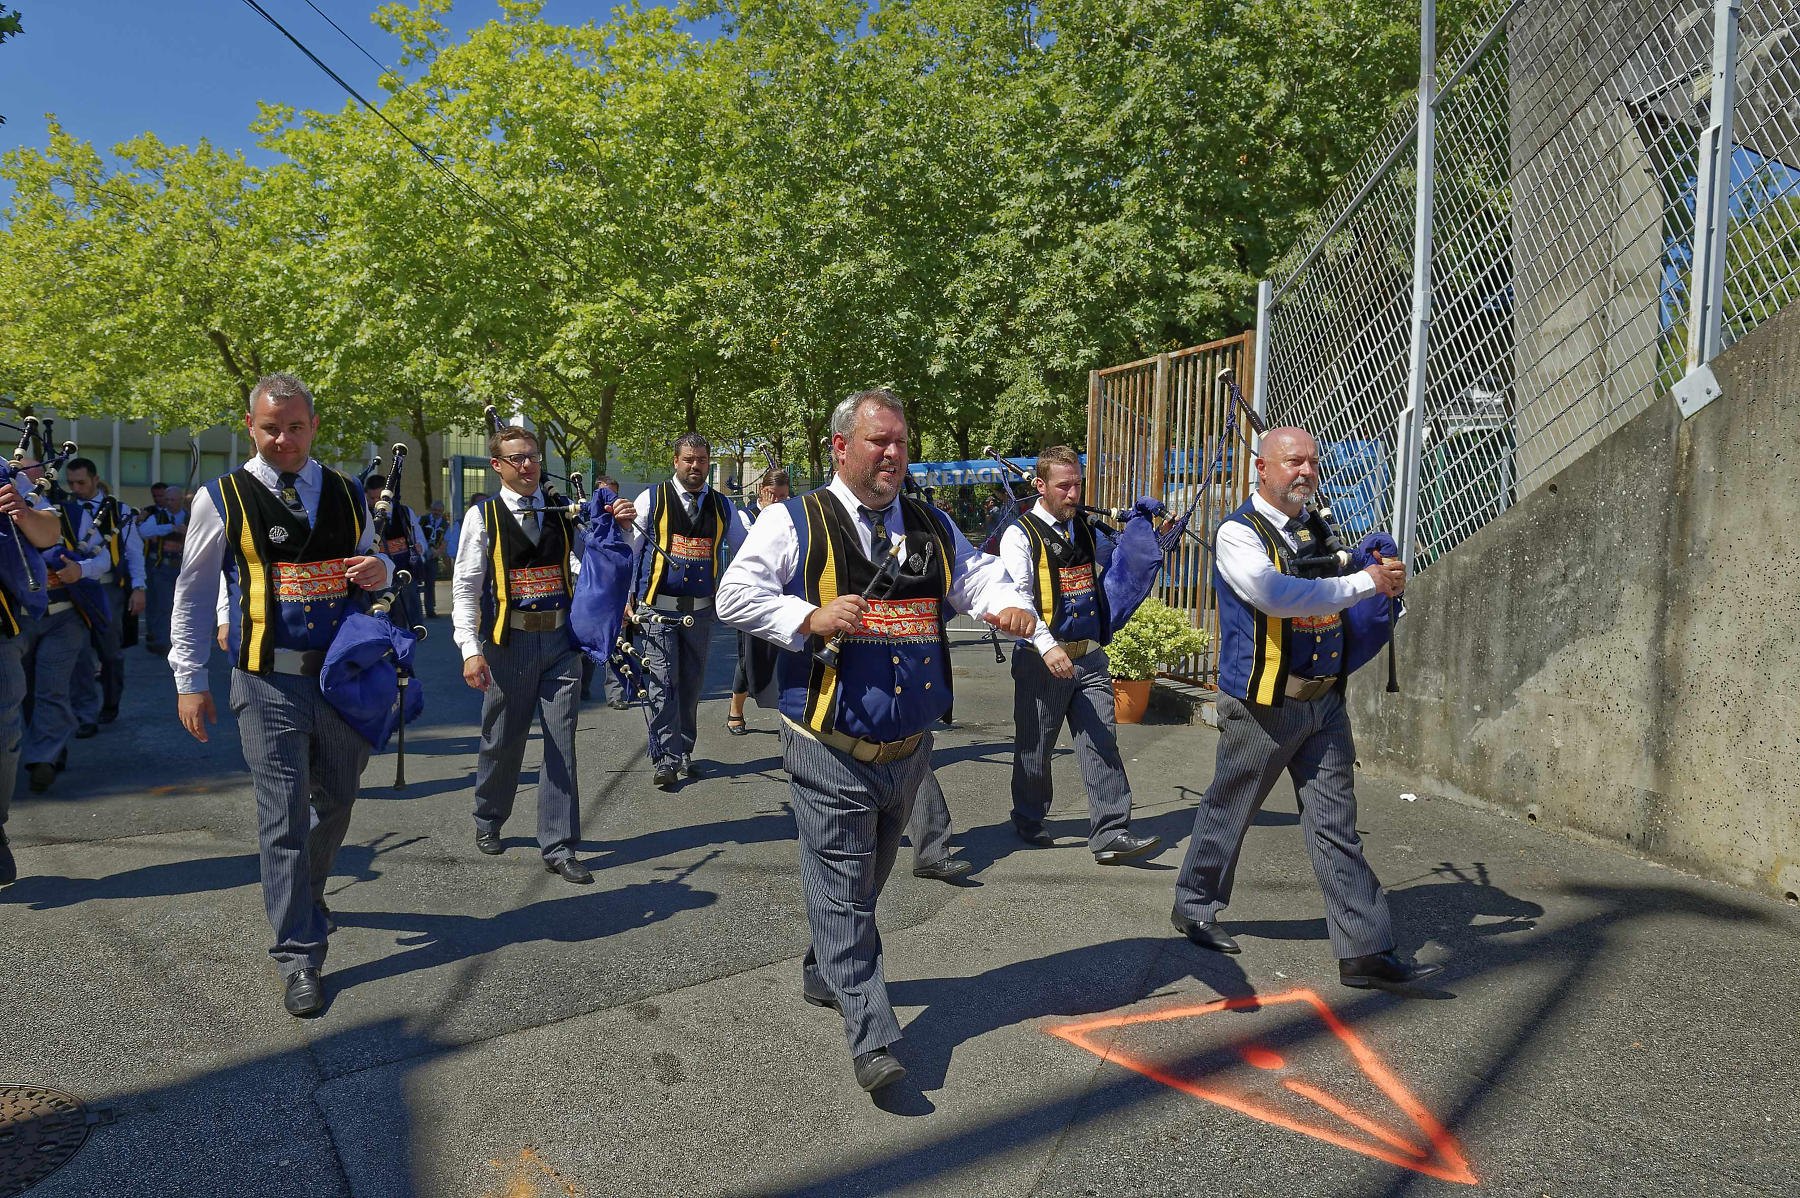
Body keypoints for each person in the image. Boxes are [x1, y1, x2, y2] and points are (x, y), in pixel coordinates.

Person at [718, 387, 1037, 1093]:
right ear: (841, 447)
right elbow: (732, 595)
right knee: (844, 892)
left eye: (899, 440)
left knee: (860, 887)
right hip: (825, 741)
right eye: (877, 441)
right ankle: (874, 1037)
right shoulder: (791, 520)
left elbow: (977, 578)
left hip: (908, 749)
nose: (893, 453)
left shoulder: (927, 521)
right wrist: (808, 614)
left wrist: (1009, 606)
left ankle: (821, 968)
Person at [1170, 426, 1439, 991]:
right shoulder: (1237, 535)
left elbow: (1339, 585)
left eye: (1312, 463)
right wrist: (1365, 582)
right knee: (1231, 807)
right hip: (1265, 703)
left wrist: (1380, 577)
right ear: (1262, 470)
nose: (1306, 472)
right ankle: (1194, 905)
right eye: (1293, 462)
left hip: (1325, 702)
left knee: (1336, 824)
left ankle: (1363, 949)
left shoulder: (1316, 528)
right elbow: (1276, 596)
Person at [172, 374, 393, 1017]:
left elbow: (371, 569)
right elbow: (190, 592)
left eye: (296, 427)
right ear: (251, 427)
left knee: (340, 799)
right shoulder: (222, 498)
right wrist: (190, 679)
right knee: (282, 816)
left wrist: (378, 571)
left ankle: (308, 892)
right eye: (271, 428)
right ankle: (299, 952)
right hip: (264, 680)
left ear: (313, 426)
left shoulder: (350, 494)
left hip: (340, 679)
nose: (284, 440)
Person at [453, 424, 636, 885]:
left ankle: (558, 843)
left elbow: (593, 559)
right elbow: (465, 587)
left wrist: (622, 528)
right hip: (506, 645)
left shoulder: (559, 510)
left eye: (533, 456)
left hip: (558, 644)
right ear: (497, 465)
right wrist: (469, 649)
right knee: (502, 737)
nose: (528, 464)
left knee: (561, 741)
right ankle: (489, 816)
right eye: (517, 458)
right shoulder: (483, 517)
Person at [998, 446, 1162, 865]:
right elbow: (1018, 598)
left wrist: (1149, 533)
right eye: (1064, 486)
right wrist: (1047, 646)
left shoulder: (1087, 529)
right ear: (1040, 485)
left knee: (1101, 742)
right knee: (1036, 747)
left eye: (1078, 485)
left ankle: (1111, 831)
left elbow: (1124, 559)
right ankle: (1029, 817)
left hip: (1089, 658)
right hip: (1041, 660)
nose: (1073, 494)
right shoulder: (1021, 535)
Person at [628, 434, 747, 790]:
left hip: (699, 613)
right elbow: (630, 552)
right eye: (689, 460)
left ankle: (684, 750)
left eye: (702, 460)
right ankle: (665, 757)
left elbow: (746, 552)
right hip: (656, 611)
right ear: (675, 462)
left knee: (691, 686)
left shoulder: (724, 507)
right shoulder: (651, 499)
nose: (696, 467)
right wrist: (624, 598)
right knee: (663, 684)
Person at [19, 461, 116, 794]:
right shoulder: (7, 516)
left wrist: (81, 569)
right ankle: (49, 749)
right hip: (19, 622)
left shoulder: (72, 515)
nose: (33, 484)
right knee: (26, 692)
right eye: (25, 478)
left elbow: (103, 560)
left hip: (65, 618)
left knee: (52, 687)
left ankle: (44, 758)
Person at [0, 466, 76, 886]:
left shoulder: (5, 476)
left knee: (4, 731)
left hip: (6, 621)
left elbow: (51, 532)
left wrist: (24, 514)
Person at [62, 459, 147, 732]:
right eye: (71, 483)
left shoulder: (120, 512)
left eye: (81, 483)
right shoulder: (63, 511)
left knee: (110, 654)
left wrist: (138, 588)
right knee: (80, 655)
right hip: (73, 589)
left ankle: (110, 705)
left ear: (95, 479)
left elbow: (134, 552)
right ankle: (85, 715)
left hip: (107, 589)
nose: (75, 489)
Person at [726, 469, 790, 735]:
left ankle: (789, 719)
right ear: (762, 491)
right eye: (773, 495)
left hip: (782, 595)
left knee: (787, 656)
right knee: (748, 658)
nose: (779, 501)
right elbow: (753, 548)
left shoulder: (790, 516)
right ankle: (735, 710)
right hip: (751, 596)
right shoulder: (747, 516)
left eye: (784, 496)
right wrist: (766, 513)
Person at [364, 474, 428, 633]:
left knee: (406, 608)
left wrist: (420, 547)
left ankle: (406, 639)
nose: (375, 502)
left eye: (379, 497)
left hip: (403, 570)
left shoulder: (404, 512)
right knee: (382, 608)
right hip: (378, 573)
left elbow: (419, 537)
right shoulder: (365, 516)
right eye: (371, 498)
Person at [138, 482, 188, 654]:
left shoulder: (190, 518)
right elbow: (144, 532)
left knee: (181, 606)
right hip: (161, 566)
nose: (169, 502)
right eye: (167, 499)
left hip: (183, 569)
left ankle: (174, 639)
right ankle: (161, 640)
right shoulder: (157, 516)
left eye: (173, 499)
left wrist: (187, 531)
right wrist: (170, 528)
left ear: (181, 500)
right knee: (162, 604)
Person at [420, 499, 450, 618]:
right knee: (416, 584)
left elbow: (445, 541)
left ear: (442, 511)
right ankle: (417, 610)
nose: (436, 512)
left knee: (430, 584)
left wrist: (437, 552)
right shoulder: (421, 520)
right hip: (421, 555)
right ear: (431, 510)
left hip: (433, 556)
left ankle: (430, 609)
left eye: (439, 511)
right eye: (434, 510)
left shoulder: (446, 524)